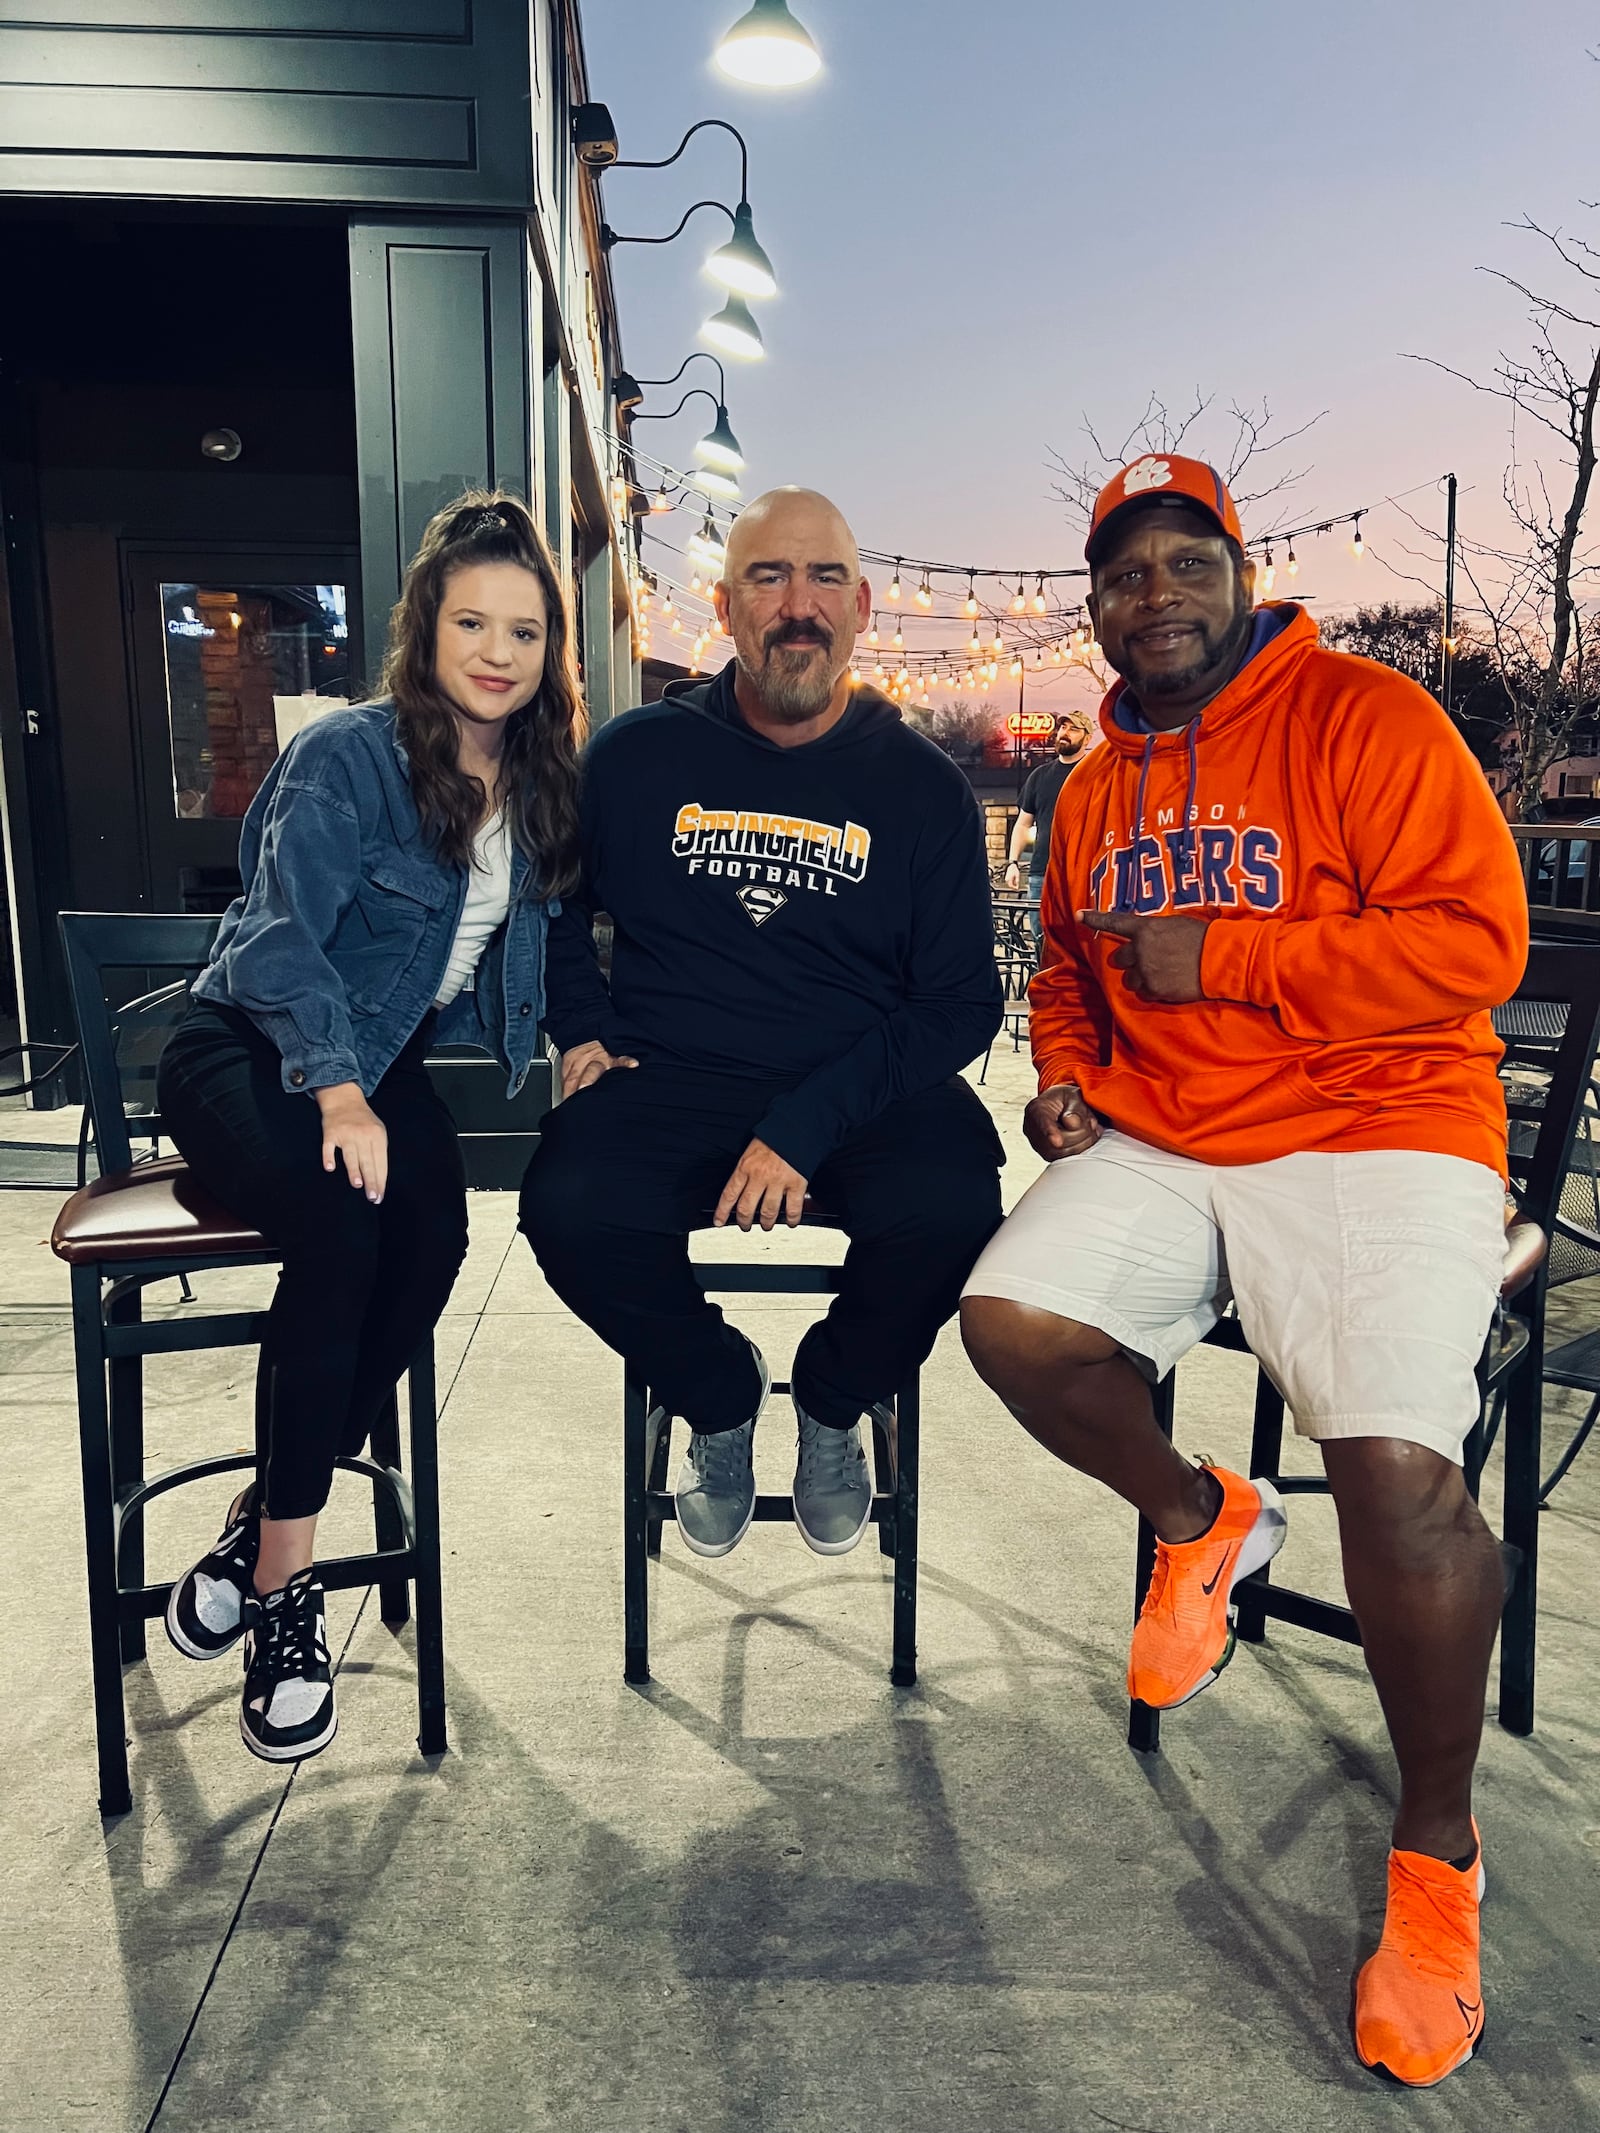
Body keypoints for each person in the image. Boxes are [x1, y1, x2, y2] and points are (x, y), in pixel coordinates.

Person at [958, 453, 1527, 2089]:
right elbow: (1068, 963)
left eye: (1182, 559)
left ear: (1239, 566)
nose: (1155, 594)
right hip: (1169, 1137)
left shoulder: (1366, 717)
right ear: (1096, 609)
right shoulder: (1089, 786)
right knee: (1015, 1320)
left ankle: (1437, 1861)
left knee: (1399, 1479)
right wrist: (1062, 1064)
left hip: (1380, 1127)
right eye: (1123, 574)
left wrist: (1232, 954)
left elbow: (1475, 943)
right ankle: (1202, 1514)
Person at [156, 491, 627, 1764]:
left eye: (524, 632)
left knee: (435, 1242)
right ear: (424, 629)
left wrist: (572, 1039)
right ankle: (288, 1594)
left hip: (384, 1063)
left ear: (550, 653)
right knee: (347, 1232)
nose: (495, 652)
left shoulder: (537, 784)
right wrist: (337, 1090)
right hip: (249, 1051)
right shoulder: (349, 756)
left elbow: (537, 942)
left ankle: (259, 1524)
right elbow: (275, 941)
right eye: (470, 621)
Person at [520, 487, 1004, 1560]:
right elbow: (547, 901)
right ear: (725, 605)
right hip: (669, 1075)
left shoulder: (923, 789)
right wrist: (579, 1021)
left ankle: (833, 1401)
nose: (799, 605)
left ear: (863, 605)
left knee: (957, 1204)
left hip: (861, 1090)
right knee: (567, 1205)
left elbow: (964, 999)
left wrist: (804, 1125)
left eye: (824, 577)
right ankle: (720, 1395)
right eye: (768, 578)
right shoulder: (636, 756)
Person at [1004, 712, 1090, 938]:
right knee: (1041, 942)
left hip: (1083, 875)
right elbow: (1023, 824)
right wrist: (1012, 862)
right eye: (1062, 728)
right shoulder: (1039, 776)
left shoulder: (1095, 774)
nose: (1065, 733)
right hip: (1041, 873)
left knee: (1080, 944)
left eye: (1073, 729)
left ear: (1087, 739)